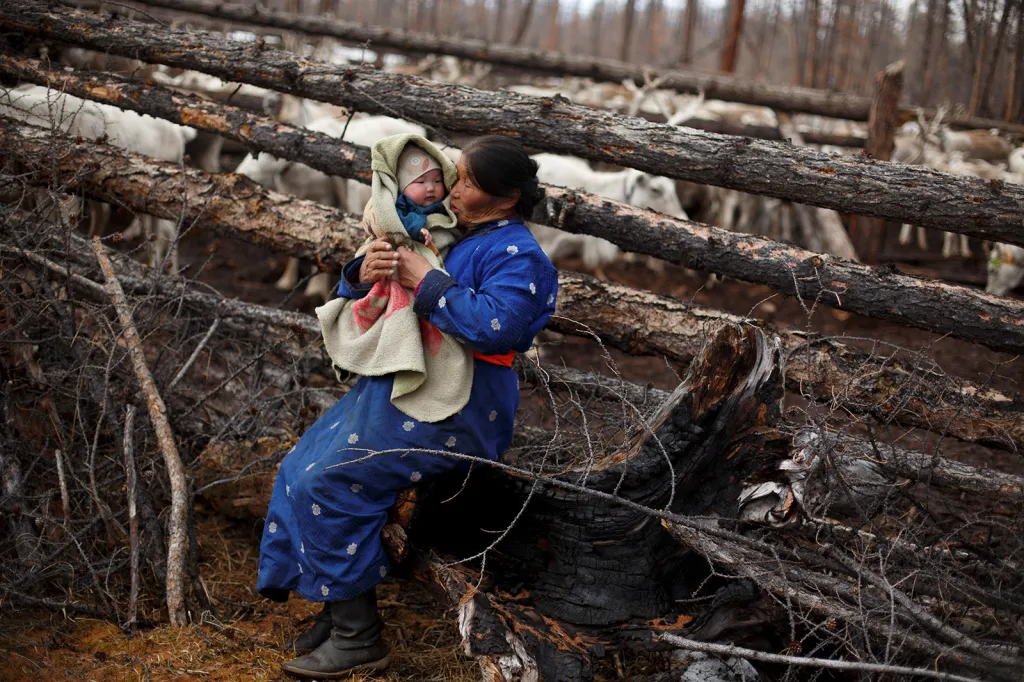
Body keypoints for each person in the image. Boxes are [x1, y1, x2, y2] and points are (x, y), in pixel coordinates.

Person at [257, 135, 558, 679]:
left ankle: (358, 638)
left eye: (465, 180)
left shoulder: (520, 256)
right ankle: (334, 603)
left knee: (331, 479)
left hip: (461, 409)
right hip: (402, 391)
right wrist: (362, 272)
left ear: (506, 197)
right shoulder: (452, 234)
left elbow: (501, 328)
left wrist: (427, 282)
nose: (451, 187)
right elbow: (383, 289)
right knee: (299, 465)